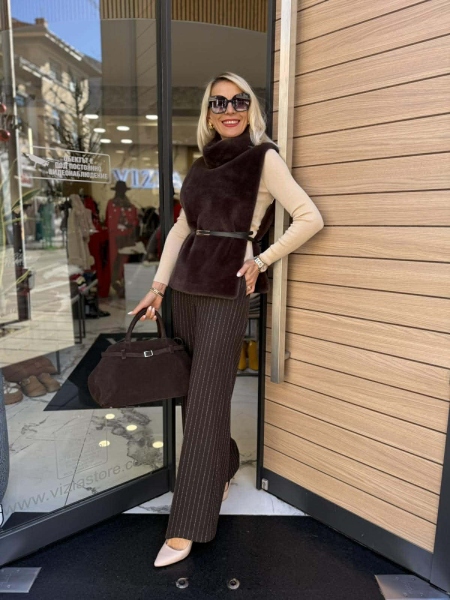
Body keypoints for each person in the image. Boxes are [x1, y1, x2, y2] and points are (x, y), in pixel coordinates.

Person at [129, 72, 324, 567]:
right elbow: (181, 230)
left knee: (206, 402)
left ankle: (188, 523)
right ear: (209, 113)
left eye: (239, 101)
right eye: (219, 103)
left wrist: (262, 259)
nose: (229, 109)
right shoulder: (199, 165)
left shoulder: (264, 157)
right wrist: (157, 288)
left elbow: (309, 217)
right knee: (193, 400)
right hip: (183, 293)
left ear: (251, 108)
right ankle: (224, 465)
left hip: (224, 294)